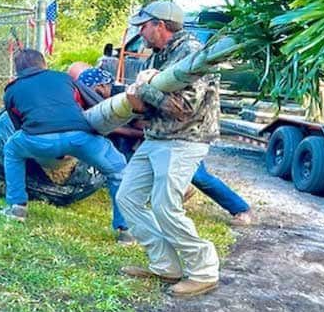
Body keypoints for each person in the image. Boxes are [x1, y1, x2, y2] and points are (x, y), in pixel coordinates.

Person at [115, 1, 221, 298]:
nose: (140, 31)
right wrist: (136, 102)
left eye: (144, 25)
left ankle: (204, 271)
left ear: (160, 25)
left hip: (185, 139)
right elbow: (150, 105)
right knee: (128, 198)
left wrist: (143, 91)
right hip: (157, 137)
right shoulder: (158, 57)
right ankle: (165, 265)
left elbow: (185, 109)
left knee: (165, 206)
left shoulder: (191, 53)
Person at [75, 66, 252, 227]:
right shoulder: (103, 101)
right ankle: (131, 221)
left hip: (178, 138)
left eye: (93, 90)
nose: (92, 95)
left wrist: (118, 130)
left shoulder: (124, 95)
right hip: (147, 143)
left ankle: (240, 208)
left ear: (102, 86)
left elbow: (144, 124)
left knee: (199, 176)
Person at [2, 49, 131, 241]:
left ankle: (17, 207)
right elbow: (94, 103)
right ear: (43, 63)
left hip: (38, 139)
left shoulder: (11, 91)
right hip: (80, 137)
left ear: (17, 70)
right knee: (118, 169)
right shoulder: (63, 78)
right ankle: (125, 230)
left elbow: (18, 125)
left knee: (12, 149)